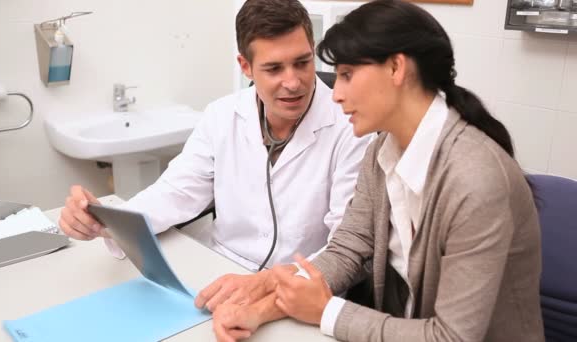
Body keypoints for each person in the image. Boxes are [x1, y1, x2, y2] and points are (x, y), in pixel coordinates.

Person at [211, 1, 545, 341]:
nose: (336, 94)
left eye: (346, 75)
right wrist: (260, 305)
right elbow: (347, 250)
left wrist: (328, 312)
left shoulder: (475, 180)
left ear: (396, 69)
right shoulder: (382, 152)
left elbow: (452, 337)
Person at [58, 0, 370, 313]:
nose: (293, 82)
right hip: (218, 273)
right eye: (273, 68)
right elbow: (177, 191)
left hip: (299, 293)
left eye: (302, 63)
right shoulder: (222, 116)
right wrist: (107, 222)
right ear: (245, 66)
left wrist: (272, 284)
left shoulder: (352, 125)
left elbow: (345, 248)